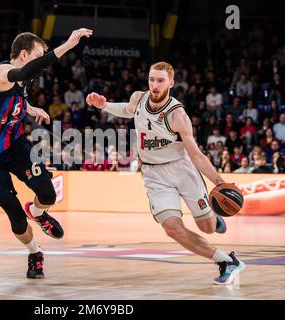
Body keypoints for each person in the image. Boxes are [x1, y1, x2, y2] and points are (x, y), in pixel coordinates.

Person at [86, 61, 244, 285]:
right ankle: (226, 261)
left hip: (182, 169)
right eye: (152, 79)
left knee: (207, 228)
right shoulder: (138, 98)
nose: (155, 85)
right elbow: (127, 110)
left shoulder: (177, 115)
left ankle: (212, 216)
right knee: (172, 228)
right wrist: (105, 104)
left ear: (171, 83)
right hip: (153, 174)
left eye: (160, 80)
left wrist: (220, 183)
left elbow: (197, 155)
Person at [0, 28, 93, 279]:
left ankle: (36, 211)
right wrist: (68, 44)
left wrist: (30, 107)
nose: (42, 59)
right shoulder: (0, 73)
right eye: (39, 55)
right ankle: (35, 253)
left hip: (14, 147)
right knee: (15, 216)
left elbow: (14, 94)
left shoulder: (21, 80)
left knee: (47, 193)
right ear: (24, 54)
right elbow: (20, 74)